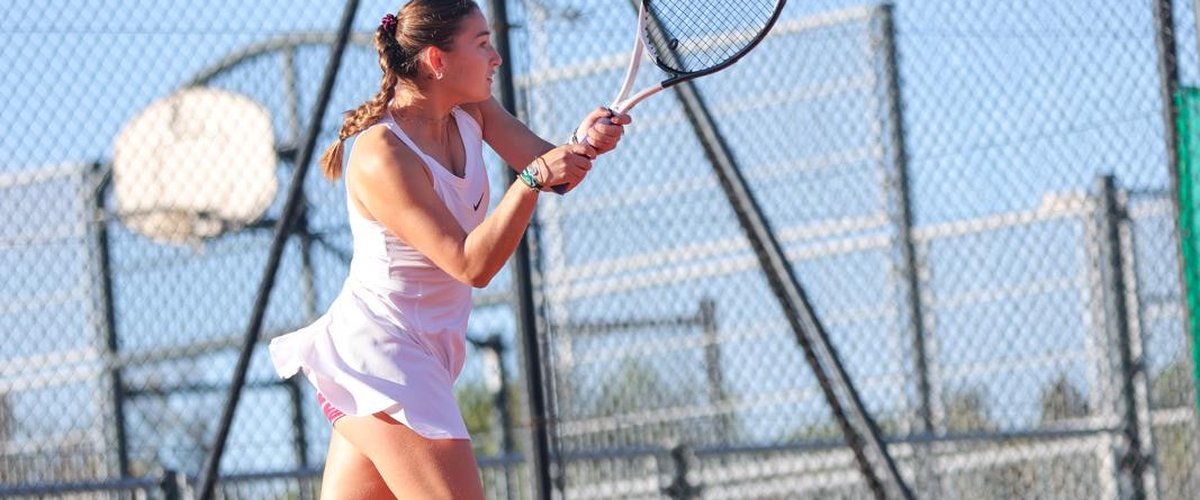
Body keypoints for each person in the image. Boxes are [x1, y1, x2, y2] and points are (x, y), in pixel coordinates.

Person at [268, 1, 629, 498]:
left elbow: (549, 169)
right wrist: (531, 181)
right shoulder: (382, 155)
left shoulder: (471, 112)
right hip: (383, 359)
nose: (496, 57)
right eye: (482, 45)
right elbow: (470, 264)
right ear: (437, 61)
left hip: (421, 357)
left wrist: (582, 143)